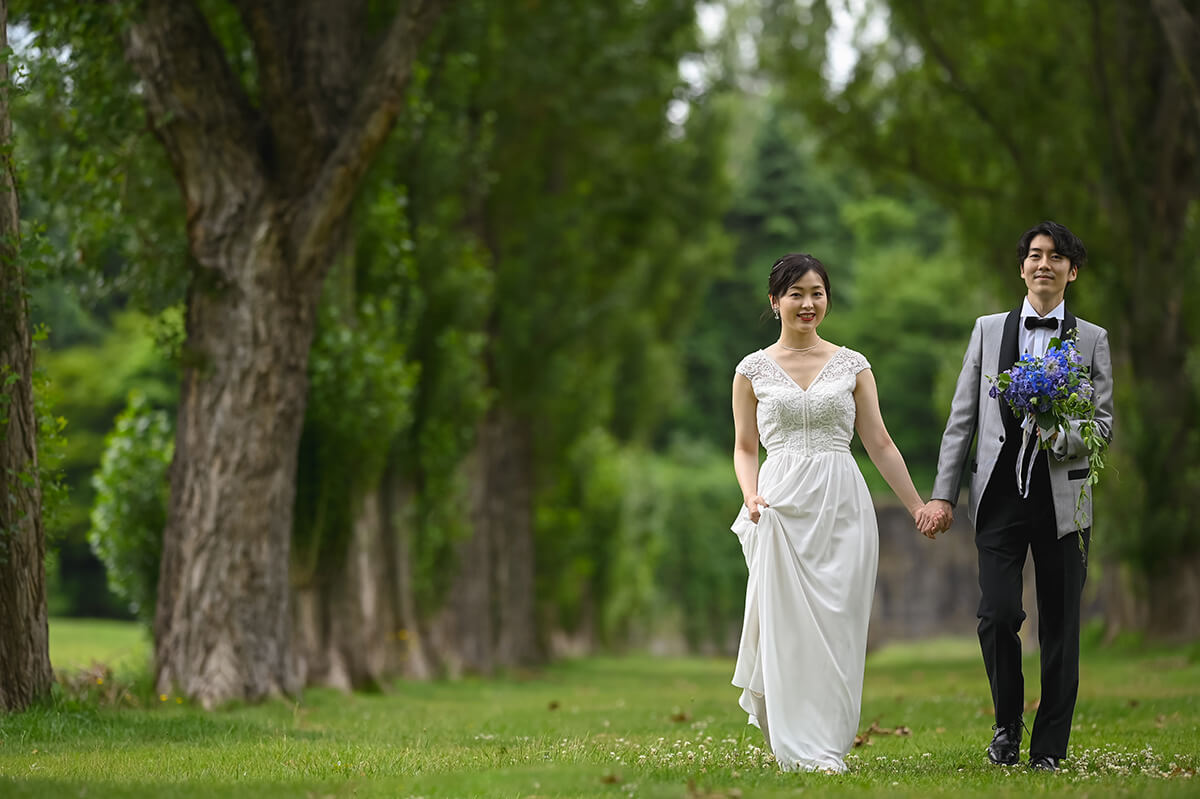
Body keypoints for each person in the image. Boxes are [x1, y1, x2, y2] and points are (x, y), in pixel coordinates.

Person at [730, 253, 940, 773]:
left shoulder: (852, 364)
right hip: (778, 508)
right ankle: (795, 745)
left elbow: (881, 442)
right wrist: (751, 494)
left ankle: (829, 742)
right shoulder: (750, 370)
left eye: (817, 293)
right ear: (775, 301)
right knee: (787, 627)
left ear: (827, 299)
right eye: (796, 293)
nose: (807, 303)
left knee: (839, 624)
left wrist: (918, 505)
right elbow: (744, 447)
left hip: (842, 503)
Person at [921, 221, 1114, 772]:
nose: (1043, 264)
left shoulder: (1093, 339)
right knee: (998, 614)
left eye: (1055, 257)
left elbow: (1102, 426)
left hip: (1064, 502)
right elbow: (961, 420)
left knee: (1060, 626)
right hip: (999, 495)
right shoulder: (986, 330)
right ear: (1022, 267)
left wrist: (1061, 435)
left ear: (1072, 271)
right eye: (1034, 255)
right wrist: (944, 496)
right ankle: (1007, 725)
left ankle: (1049, 748)